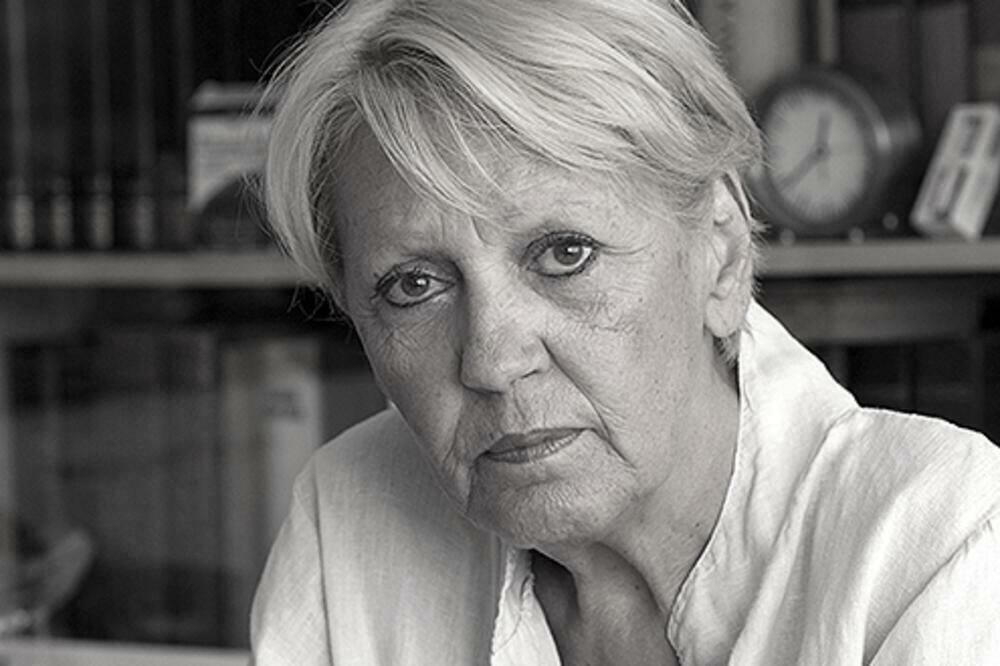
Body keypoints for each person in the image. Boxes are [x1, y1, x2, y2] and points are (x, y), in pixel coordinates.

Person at [250, 0, 1000, 663]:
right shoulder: (347, 515)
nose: (493, 361)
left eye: (565, 254)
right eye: (413, 286)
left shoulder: (941, 542)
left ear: (720, 255)